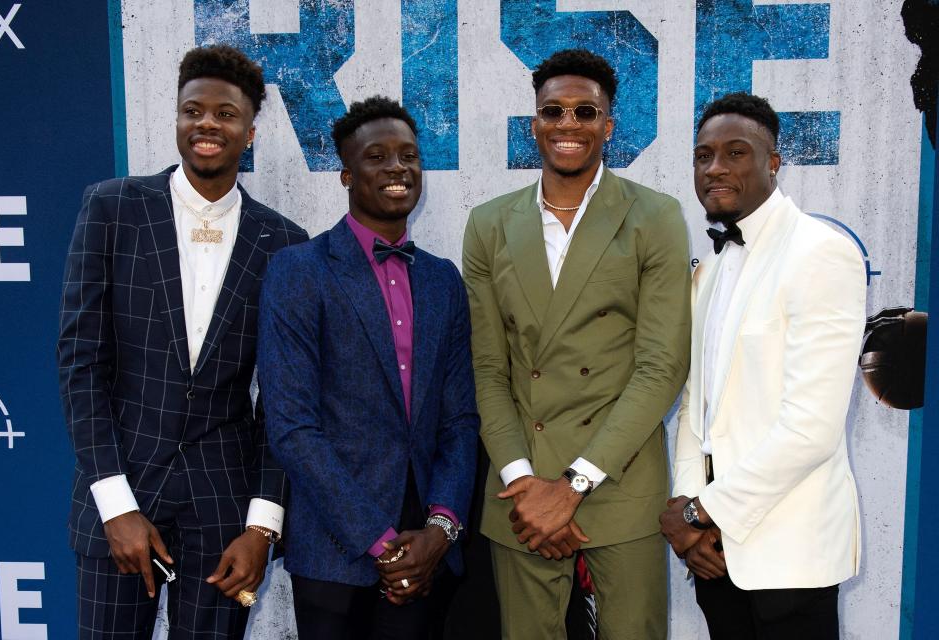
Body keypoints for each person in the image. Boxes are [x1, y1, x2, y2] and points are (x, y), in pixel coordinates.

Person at [57, 45, 307, 639]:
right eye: (192, 110)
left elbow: (284, 398)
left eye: (225, 114)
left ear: (250, 132)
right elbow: (80, 365)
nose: (207, 124)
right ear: (176, 118)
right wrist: (116, 506)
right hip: (121, 487)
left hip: (226, 507)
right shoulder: (112, 208)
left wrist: (262, 525)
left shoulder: (283, 242)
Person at [463, 48, 691, 639]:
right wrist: (527, 485)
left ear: (608, 126)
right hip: (522, 493)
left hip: (618, 481)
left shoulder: (654, 217)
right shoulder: (489, 224)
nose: (569, 125)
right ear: (534, 123)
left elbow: (660, 367)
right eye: (553, 111)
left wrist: (573, 486)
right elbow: (488, 369)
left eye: (585, 112)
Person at [258, 95, 479, 640]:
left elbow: (459, 421)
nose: (397, 167)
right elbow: (291, 426)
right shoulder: (298, 271)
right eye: (377, 156)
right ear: (345, 174)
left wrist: (439, 530)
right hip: (334, 547)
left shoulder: (442, 279)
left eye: (408, 155)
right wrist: (381, 545)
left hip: (425, 545)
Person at [660, 92, 866, 639]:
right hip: (713, 557)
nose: (715, 168)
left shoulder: (820, 252)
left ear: (773, 162)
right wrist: (687, 513)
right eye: (703, 156)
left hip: (787, 556)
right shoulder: (709, 266)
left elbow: (810, 431)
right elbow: (695, 411)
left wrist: (699, 513)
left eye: (736, 153)